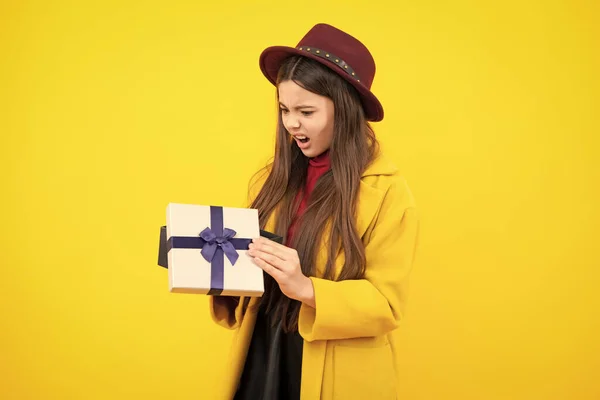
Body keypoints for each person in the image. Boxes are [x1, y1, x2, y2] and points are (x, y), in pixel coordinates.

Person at [209, 23, 420, 400]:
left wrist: (306, 289)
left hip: (335, 366)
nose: (292, 123)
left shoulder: (387, 192)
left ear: (346, 110)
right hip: (263, 353)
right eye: (285, 109)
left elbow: (386, 305)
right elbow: (254, 267)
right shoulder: (272, 180)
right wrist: (216, 269)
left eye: (306, 111)